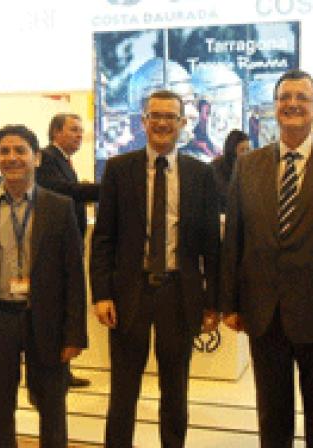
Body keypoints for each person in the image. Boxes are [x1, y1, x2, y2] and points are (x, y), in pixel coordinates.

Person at [220, 69, 313, 448]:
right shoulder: (248, 165)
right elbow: (235, 238)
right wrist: (230, 303)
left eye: (302, 97)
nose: (292, 104)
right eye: (284, 97)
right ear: (275, 107)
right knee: (272, 417)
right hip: (264, 315)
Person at [90, 89, 220, 448]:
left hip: (180, 293)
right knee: (123, 388)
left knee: (175, 387)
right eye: (155, 116)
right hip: (129, 293)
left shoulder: (200, 174)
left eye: (170, 117)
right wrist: (101, 294)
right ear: (143, 121)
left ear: (183, 122)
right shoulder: (119, 170)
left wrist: (213, 301)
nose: (162, 123)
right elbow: (104, 239)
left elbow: (212, 245)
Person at [0, 124, 87, 447]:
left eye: (20, 151)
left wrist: (75, 334)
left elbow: (73, 276)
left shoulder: (59, 207)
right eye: (4, 151)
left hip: (46, 322)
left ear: (36, 158)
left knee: (52, 410)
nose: (12, 158)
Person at [36, 113, 99, 387]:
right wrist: (103, 189)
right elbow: (63, 190)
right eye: (73, 130)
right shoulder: (47, 159)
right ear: (56, 132)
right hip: (55, 246)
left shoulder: (63, 161)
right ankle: (54, 371)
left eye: (81, 130)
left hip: (70, 242)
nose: (79, 135)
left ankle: (62, 370)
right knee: (57, 308)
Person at [210, 129, 249, 212]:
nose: (246, 154)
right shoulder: (216, 168)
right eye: (242, 150)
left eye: (248, 150)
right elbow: (225, 196)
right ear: (232, 151)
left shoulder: (248, 168)